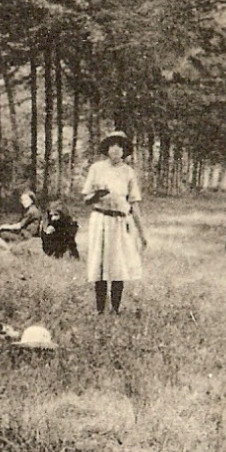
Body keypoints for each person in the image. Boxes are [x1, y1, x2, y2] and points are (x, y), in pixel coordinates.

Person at [82, 131, 147, 315]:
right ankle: (100, 309)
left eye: (120, 146)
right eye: (112, 145)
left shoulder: (128, 172)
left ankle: (116, 308)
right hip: (100, 220)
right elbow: (86, 199)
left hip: (120, 221)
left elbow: (134, 204)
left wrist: (142, 235)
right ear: (107, 149)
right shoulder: (96, 168)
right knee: (99, 263)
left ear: (125, 150)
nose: (116, 149)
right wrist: (97, 194)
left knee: (118, 265)